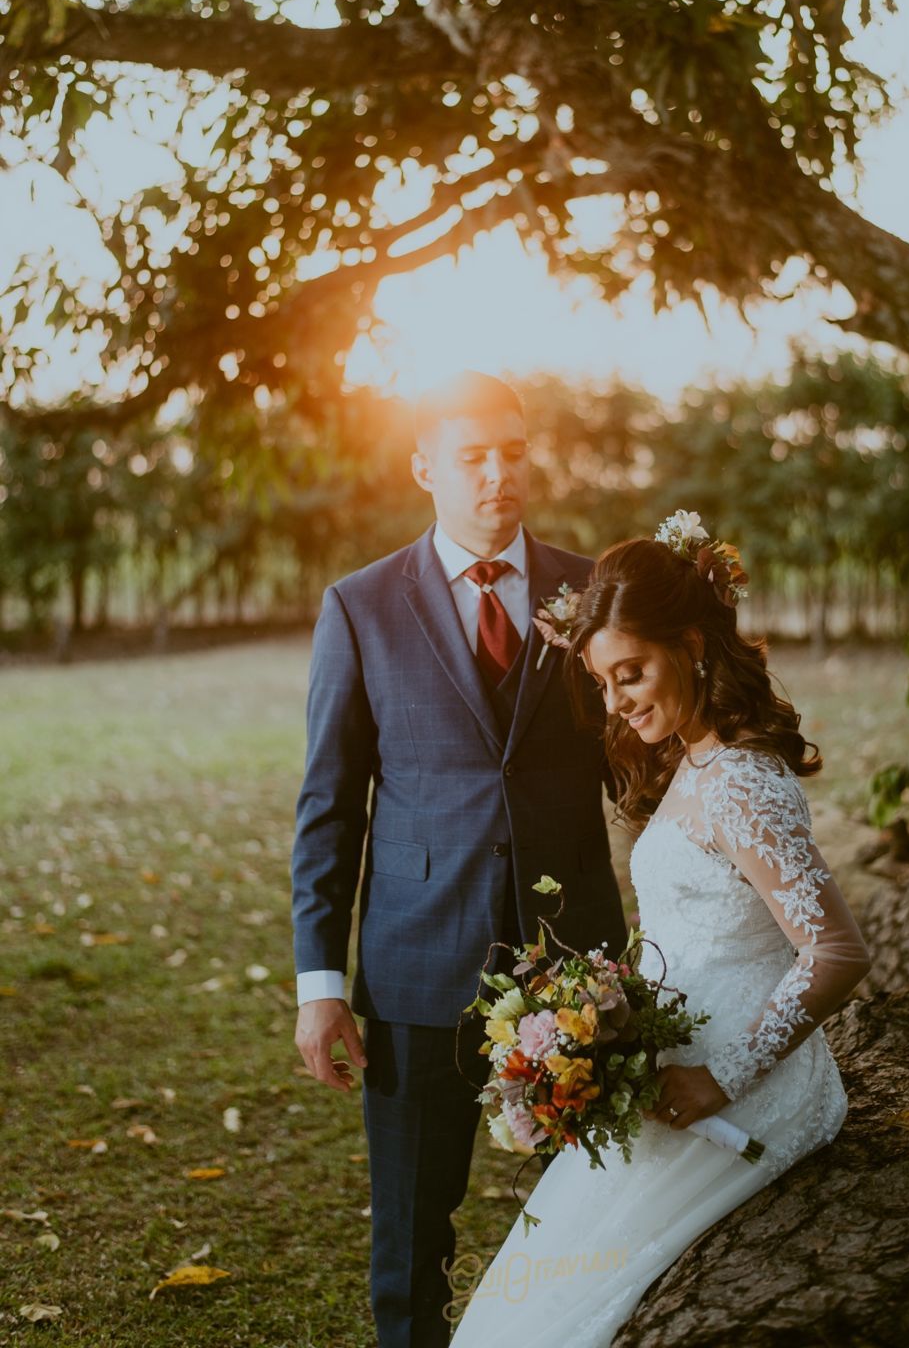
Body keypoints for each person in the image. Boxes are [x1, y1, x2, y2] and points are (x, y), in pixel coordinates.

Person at [449, 522, 871, 1346]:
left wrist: (722, 1077)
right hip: (677, 1071)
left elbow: (838, 952)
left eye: (631, 674)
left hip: (742, 1093)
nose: (616, 703)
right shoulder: (695, 758)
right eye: (603, 682)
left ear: (690, 645)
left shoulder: (743, 781)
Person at [290, 370, 627, 1348]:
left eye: (513, 454)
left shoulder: (591, 590)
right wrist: (320, 985)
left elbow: (641, 752)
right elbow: (328, 807)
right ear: (423, 466)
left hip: (576, 969)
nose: (497, 475)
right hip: (415, 972)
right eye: (472, 456)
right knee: (410, 1241)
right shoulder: (359, 607)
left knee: (598, 1225)